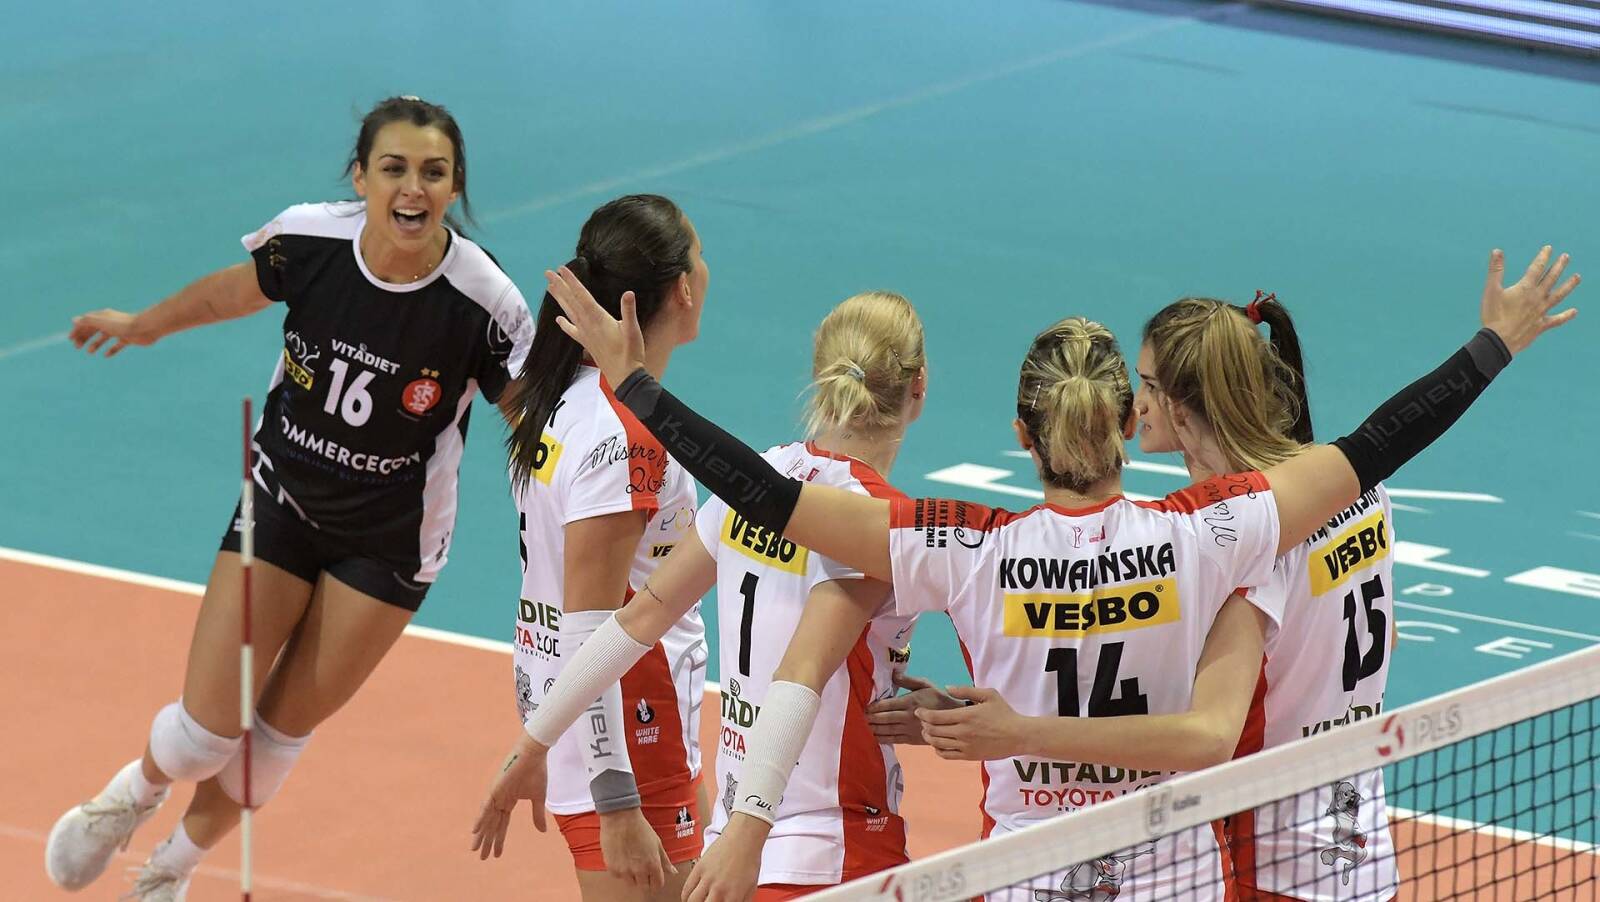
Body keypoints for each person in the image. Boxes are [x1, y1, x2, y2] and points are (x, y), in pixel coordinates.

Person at [533, 245, 1577, 899]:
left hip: (1025, 877)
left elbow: (766, 495)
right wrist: (1492, 344)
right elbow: (1379, 443)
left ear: (1020, 436)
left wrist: (639, 389)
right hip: (1177, 875)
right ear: (1125, 421)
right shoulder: (1211, 531)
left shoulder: (966, 546)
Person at [47, 96, 534, 901]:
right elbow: (229, 295)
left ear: (455, 189)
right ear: (361, 177)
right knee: (204, 735)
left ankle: (169, 869)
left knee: (276, 735)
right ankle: (133, 792)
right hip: (283, 501)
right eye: (394, 168)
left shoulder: (485, 303)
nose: (413, 187)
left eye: (433, 172)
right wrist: (144, 325)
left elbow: (534, 424)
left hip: (389, 545)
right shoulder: (311, 240)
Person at [477, 291, 942, 901]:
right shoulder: (882, 522)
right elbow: (799, 677)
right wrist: (750, 834)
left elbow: (633, 622)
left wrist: (533, 742)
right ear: (918, 386)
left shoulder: (759, 478)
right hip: (832, 845)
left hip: (733, 839)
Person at [1134, 293, 1402, 900]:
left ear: (1184, 407)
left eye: (1147, 385)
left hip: (1270, 861)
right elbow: (1384, 638)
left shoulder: (1244, 541)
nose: (1136, 403)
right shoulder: (1362, 492)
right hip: (1362, 857)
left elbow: (1210, 732)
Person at [487, 194, 712, 902]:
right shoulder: (623, 436)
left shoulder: (563, 400)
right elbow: (593, 627)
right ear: (682, 288)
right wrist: (616, 802)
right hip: (631, 739)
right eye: (700, 255)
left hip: (594, 726)